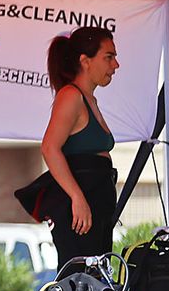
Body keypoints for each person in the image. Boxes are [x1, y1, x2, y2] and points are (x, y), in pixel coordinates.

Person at [40, 26, 120, 261]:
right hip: (81, 203)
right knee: (81, 281)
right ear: (85, 61)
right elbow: (49, 147)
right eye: (109, 57)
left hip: (96, 198)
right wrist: (77, 197)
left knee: (96, 278)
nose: (115, 65)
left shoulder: (88, 99)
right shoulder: (71, 96)